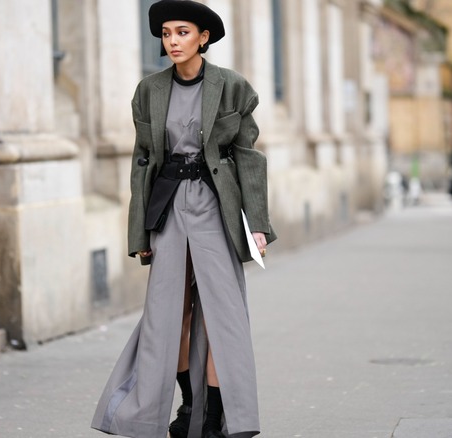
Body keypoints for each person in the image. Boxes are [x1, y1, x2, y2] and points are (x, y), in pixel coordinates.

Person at [91, 1, 276, 437]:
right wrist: (139, 230)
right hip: (169, 205)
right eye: (167, 33)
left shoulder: (232, 87)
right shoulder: (149, 91)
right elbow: (142, 163)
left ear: (203, 38)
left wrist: (258, 224)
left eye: (183, 32)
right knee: (171, 312)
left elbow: (248, 157)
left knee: (220, 312)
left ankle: (213, 419)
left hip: (215, 206)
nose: (173, 41)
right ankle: (186, 408)